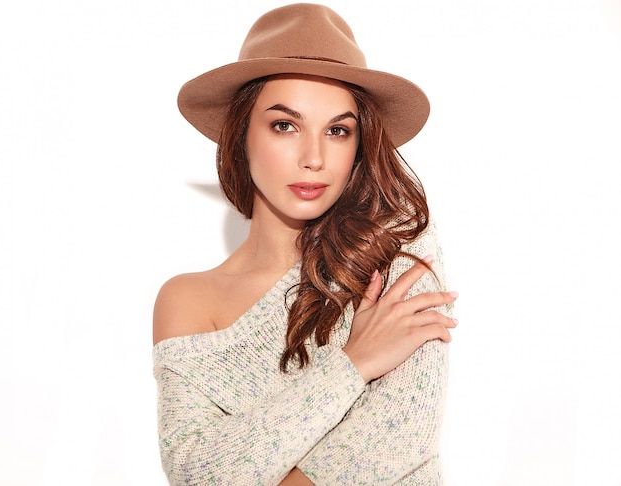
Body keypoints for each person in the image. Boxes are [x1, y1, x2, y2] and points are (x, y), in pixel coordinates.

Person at [152, 4, 458, 485]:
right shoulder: (188, 300)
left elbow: (402, 431)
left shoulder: (396, 247)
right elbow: (197, 474)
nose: (314, 157)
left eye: (338, 131)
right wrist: (355, 363)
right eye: (285, 125)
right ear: (240, 136)